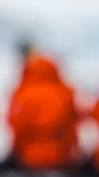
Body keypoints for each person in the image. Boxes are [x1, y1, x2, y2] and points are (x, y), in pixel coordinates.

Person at [5, 41, 84, 170]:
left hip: (29, 158)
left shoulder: (23, 92)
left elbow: (16, 124)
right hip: (62, 157)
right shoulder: (65, 91)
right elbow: (76, 119)